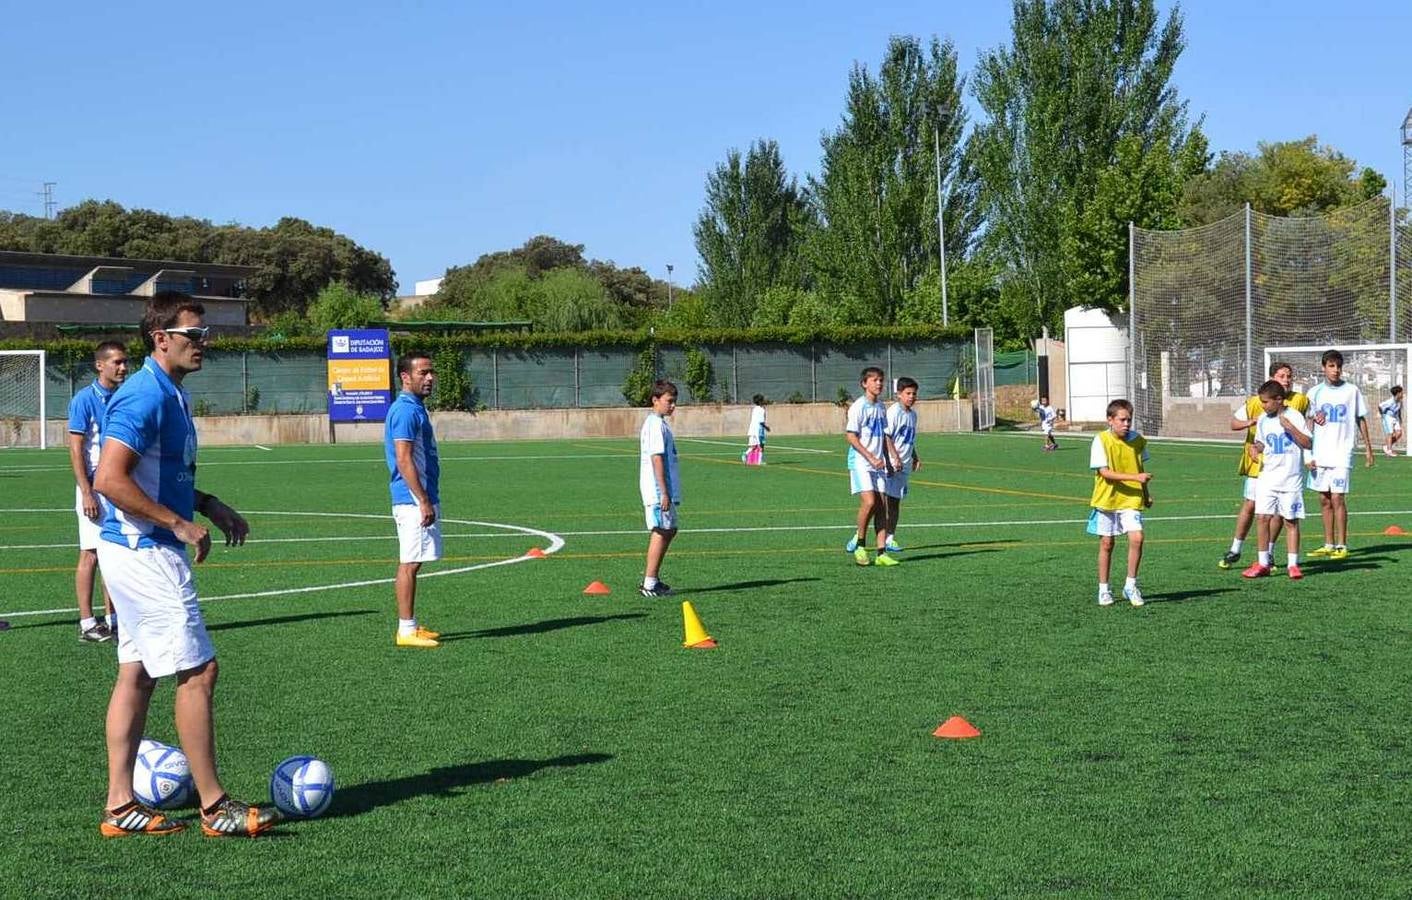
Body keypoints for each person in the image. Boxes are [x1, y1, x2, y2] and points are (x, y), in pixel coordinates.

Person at [93, 291, 278, 838]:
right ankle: (215, 806)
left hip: (133, 549)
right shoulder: (144, 395)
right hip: (144, 549)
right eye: (194, 335)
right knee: (198, 670)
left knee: (139, 673)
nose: (204, 344)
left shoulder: (171, 392)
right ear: (161, 339)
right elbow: (109, 478)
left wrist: (205, 503)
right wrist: (176, 523)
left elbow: (158, 475)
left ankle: (120, 805)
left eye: (205, 335)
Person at [1218, 362, 1309, 569]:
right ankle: (1236, 548)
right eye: (1281, 376)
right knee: (1252, 506)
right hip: (1260, 466)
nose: (1286, 380)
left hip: (1287, 470)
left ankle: (1269, 553)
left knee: (1280, 513)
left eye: (1289, 375)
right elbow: (1234, 424)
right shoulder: (1256, 403)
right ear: (1271, 379)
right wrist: (1252, 425)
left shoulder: (1299, 402)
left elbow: (1308, 428)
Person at [66, 340, 128, 643]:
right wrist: (86, 492)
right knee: (90, 554)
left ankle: (113, 619)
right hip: (93, 487)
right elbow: (76, 450)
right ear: (99, 365)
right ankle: (87, 622)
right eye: (116, 362)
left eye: (125, 361)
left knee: (113, 553)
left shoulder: (124, 397)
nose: (123, 367)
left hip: (117, 486)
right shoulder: (83, 400)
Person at [385, 352, 442, 648]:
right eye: (423, 373)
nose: (430, 378)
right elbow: (404, 459)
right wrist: (422, 499)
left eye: (431, 372)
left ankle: (412, 625)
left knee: (414, 560)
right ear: (406, 377)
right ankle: (405, 629)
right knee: (409, 562)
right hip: (411, 501)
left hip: (417, 498)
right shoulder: (406, 411)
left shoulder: (414, 408)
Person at [1305, 349, 1374, 558]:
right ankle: (1328, 543)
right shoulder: (1313, 393)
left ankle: (1342, 545)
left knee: (1338, 498)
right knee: (1324, 499)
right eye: (1331, 366)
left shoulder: (1351, 391)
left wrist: (1368, 449)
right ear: (1323, 367)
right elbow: (1308, 422)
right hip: (1320, 452)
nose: (1335, 370)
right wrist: (1308, 455)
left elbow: (1360, 419)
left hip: (1342, 452)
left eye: (1338, 366)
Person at [1241, 380, 1312, 580]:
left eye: (1265, 402)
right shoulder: (1263, 419)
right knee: (1262, 518)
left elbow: (1307, 443)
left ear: (1279, 400)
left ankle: (1292, 564)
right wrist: (1256, 448)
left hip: (1290, 479)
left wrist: (1291, 429)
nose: (1262, 406)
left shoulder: (1294, 416)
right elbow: (1262, 443)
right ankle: (1263, 563)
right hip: (1267, 478)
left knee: (1290, 520)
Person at [1088, 399, 1152, 608]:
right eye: (1122, 420)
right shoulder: (1101, 440)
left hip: (1131, 499)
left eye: (1129, 420)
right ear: (1110, 420)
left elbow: (1140, 467)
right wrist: (1136, 479)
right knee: (1107, 544)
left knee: (1137, 537)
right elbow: (1104, 472)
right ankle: (1104, 589)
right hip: (1107, 498)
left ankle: (1131, 585)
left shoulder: (1138, 441)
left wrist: (1145, 493)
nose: (1126, 424)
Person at [843, 366, 898, 567]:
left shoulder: (881, 407)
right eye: (874, 380)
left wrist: (889, 460)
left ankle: (881, 552)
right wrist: (870, 457)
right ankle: (859, 545)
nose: (879, 383)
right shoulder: (858, 407)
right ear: (864, 383)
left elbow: (884, 436)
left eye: (881, 380)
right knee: (869, 502)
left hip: (879, 464)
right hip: (860, 462)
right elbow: (851, 436)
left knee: (882, 507)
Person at [639, 380, 680, 597]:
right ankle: (649, 583)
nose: (672, 406)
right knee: (662, 530)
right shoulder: (654, 425)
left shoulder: (660, 423)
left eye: (674, 402)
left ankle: (653, 580)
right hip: (657, 490)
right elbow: (657, 459)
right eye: (669, 401)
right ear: (655, 400)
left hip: (663, 489)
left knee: (670, 529)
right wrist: (663, 491)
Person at [881, 377, 921, 554]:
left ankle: (890, 538)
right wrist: (894, 458)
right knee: (881, 504)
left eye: (914, 394)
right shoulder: (893, 412)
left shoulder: (912, 414)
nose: (911, 397)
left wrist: (915, 456)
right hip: (889, 463)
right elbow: (887, 436)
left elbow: (909, 439)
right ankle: (861, 534)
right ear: (899, 394)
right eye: (908, 393)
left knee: (895, 503)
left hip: (903, 465)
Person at [742, 394, 770, 465]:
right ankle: (759, 461)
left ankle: (745, 454)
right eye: (763, 400)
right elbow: (761, 422)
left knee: (753, 446)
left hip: (752, 430)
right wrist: (766, 427)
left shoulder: (754, 409)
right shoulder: (761, 410)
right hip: (758, 431)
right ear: (760, 401)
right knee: (761, 446)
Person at [1379, 385, 1403, 458]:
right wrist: (1382, 414)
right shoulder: (1390, 401)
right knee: (1390, 433)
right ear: (1398, 393)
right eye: (1401, 392)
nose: (1403, 394)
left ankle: (1386, 446)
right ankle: (1389, 451)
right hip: (1387, 417)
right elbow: (1380, 406)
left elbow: (1398, 410)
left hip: (1394, 418)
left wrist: (1400, 418)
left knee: (1399, 433)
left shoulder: (1400, 402)